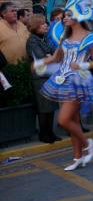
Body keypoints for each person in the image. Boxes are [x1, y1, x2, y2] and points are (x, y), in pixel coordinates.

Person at [35, 0, 93, 171]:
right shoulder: (64, 35)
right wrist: (40, 62)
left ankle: (88, 143)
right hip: (61, 79)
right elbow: (56, 57)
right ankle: (77, 157)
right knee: (73, 120)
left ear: (78, 16)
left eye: (68, 15)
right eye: (64, 16)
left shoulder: (90, 37)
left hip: (78, 81)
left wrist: (82, 66)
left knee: (63, 120)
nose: (65, 18)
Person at [25, 14, 61, 144]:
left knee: (50, 107)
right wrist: (51, 56)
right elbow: (42, 59)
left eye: (45, 23)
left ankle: (50, 133)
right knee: (44, 108)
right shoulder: (32, 41)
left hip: (49, 76)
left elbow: (52, 53)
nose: (46, 25)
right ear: (35, 26)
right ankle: (44, 134)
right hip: (40, 78)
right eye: (42, 24)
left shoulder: (43, 39)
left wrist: (51, 55)